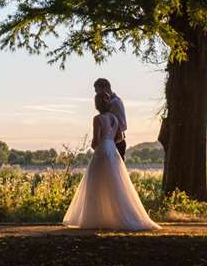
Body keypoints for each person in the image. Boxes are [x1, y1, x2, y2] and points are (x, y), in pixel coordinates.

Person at [62, 94, 159, 231]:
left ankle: (97, 218)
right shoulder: (115, 118)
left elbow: (96, 140)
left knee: (96, 183)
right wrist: (110, 141)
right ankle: (119, 216)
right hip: (113, 150)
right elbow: (119, 138)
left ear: (97, 105)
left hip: (102, 151)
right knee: (116, 183)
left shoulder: (97, 119)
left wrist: (97, 145)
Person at [93, 78, 127, 160]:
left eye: (97, 91)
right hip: (113, 141)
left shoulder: (114, 102)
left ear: (105, 88)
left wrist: (108, 141)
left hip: (115, 142)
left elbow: (122, 125)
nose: (97, 94)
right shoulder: (115, 101)